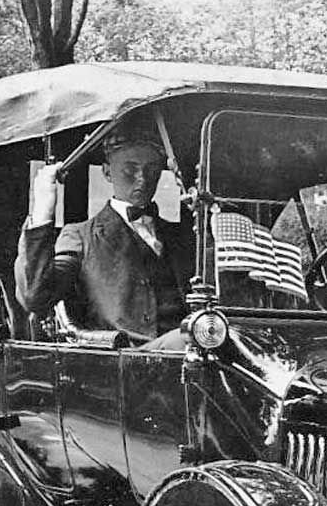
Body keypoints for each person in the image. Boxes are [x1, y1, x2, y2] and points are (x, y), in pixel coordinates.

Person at [16, 121, 196, 345]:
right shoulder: (80, 236)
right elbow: (35, 296)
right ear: (107, 172)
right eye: (130, 169)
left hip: (191, 350)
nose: (142, 178)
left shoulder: (178, 236)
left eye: (151, 170)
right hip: (124, 357)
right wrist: (42, 209)